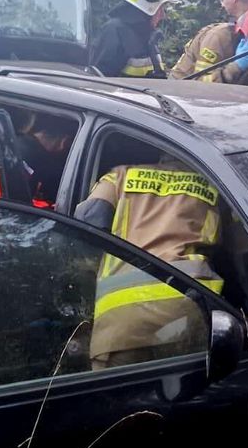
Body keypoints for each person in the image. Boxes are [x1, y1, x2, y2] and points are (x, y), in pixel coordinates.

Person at [75, 158, 224, 369]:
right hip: (188, 311)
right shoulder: (218, 184)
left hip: (121, 319)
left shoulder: (119, 175)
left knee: (120, 396)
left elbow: (87, 221)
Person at [91, 0, 180, 78]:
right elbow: (99, 83)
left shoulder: (146, 35)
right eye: (161, 9)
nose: (163, 15)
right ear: (148, 7)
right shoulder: (115, 31)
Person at [170, 0, 248, 81]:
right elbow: (200, 84)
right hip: (176, 92)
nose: (222, 4)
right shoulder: (218, 36)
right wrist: (235, 68)